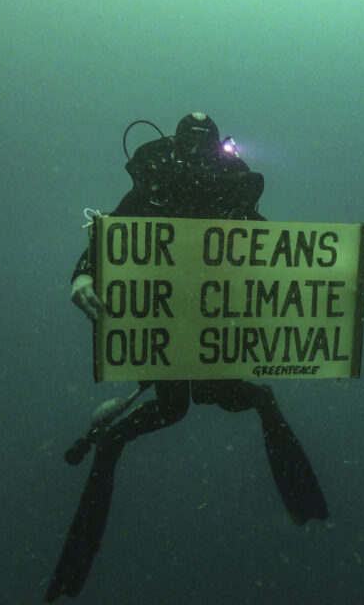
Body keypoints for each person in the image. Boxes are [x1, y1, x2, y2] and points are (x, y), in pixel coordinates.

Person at [46, 112, 328, 603]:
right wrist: (82, 275)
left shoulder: (230, 191)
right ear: (179, 149)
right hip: (172, 321)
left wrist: (336, 286)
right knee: (190, 404)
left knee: (218, 397)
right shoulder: (157, 186)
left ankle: (109, 457)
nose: (199, 158)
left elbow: (278, 252)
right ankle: (108, 456)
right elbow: (110, 233)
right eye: (194, 148)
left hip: (209, 323)